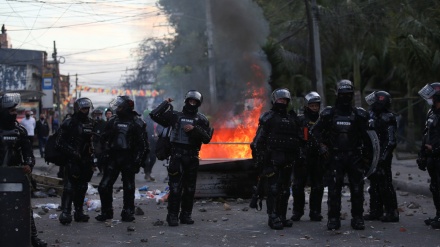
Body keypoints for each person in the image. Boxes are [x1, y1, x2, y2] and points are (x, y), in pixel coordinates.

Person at [310, 80, 370, 230]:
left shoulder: (359, 114)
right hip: (335, 156)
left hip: (354, 157)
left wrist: (367, 158)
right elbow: (314, 132)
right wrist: (322, 147)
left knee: (357, 189)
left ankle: (357, 218)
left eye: (348, 94)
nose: (345, 97)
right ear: (338, 94)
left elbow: (369, 138)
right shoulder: (328, 114)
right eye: (343, 94)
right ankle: (333, 218)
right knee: (334, 189)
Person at [150, 90, 213, 226]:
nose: (192, 103)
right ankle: (172, 216)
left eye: (194, 102)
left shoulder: (201, 119)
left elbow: (207, 138)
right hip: (177, 156)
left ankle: (186, 215)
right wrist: (165, 103)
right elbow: (154, 115)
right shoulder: (175, 116)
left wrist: (194, 129)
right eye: (190, 101)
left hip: (192, 157)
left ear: (198, 103)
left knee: (190, 189)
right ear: (186, 101)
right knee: (175, 188)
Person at [251, 88, 303, 230]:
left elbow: (300, 139)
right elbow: (257, 142)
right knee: (273, 189)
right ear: (275, 100)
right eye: (280, 100)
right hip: (272, 160)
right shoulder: (268, 117)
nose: (283, 102)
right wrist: (261, 163)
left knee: (285, 190)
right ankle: (272, 217)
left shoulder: (293, 119)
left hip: (288, 160)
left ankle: (282, 216)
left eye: (285, 100)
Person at [0, 93, 47, 246]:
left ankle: (33, 238)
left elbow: (28, 153)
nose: (15, 113)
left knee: (24, 208)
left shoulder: (20, 131)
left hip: (17, 174)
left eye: (15, 111)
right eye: (11, 111)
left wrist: (28, 164)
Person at [95, 96, 149, 222]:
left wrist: (138, 161)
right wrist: (103, 153)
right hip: (113, 157)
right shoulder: (113, 121)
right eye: (117, 106)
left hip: (128, 158)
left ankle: (128, 211)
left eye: (120, 106)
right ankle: (106, 211)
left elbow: (143, 146)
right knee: (104, 186)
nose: (117, 109)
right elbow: (103, 138)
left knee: (129, 187)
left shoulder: (137, 122)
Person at [55, 98, 95, 225]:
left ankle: (79, 212)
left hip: (86, 159)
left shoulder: (90, 123)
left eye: (87, 109)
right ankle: (66, 212)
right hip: (72, 159)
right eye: (84, 109)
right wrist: (72, 152)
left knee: (82, 186)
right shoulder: (69, 123)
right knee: (69, 187)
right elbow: (59, 142)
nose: (86, 111)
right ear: (78, 109)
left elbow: (92, 141)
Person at [363, 91, 399, 222]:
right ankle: (375, 211)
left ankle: (392, 212)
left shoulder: (388, 117)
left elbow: (390, 141)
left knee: (385, 184)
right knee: (374, 184)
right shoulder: (372, 116)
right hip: (373, 156)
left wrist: (382, 158)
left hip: (383, 156)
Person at [291, 91, 324, 222]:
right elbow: (296, 138)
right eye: (312, 106)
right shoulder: (300, 120)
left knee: (318, 186)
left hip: (317, 157)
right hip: (302, 157)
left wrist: (324, 147)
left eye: (316, 105)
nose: (314, 108)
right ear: (307, 106)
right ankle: (297, 212)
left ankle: (315, 212)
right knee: (298, 186)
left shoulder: (322, 120)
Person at [417, 82, 440, 229]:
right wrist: (422, 154)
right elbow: (426, 134)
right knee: (435, 187)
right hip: (432, 156)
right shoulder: (431, 113)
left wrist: (437, 148)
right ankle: (438, 215)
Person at [143, 109, 164, 181]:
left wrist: (157, 135)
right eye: (147, 116)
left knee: (153, 158)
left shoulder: (155, 123)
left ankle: (148, 172)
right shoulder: (142, 123)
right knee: (146, 160)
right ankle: (147, 173)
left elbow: (160, 130)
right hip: (145, 143)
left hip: (153, 143)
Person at [91, 109, 106, 176]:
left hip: (102, 142)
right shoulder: (92, 123)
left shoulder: (104, 123)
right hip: (94, 142)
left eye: (99, 115)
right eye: (96, 114)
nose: (97, 116)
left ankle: (102, 170)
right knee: (96, 156)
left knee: (102, 157)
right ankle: (99, 169)